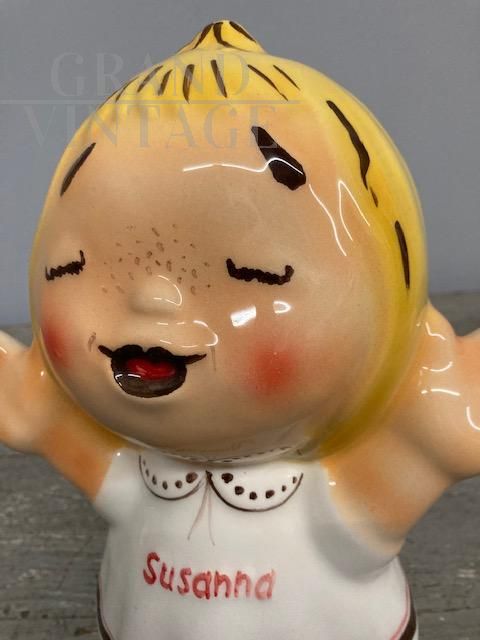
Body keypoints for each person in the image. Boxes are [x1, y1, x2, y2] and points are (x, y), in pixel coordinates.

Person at [1, 19, 479, 640]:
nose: (151, 299)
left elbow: (427, 456)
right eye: (76, 264)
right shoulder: (141, 469)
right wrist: (37, 407)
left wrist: (438, 417)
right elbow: (66, 440)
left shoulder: (332, 490)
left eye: (252, 273)